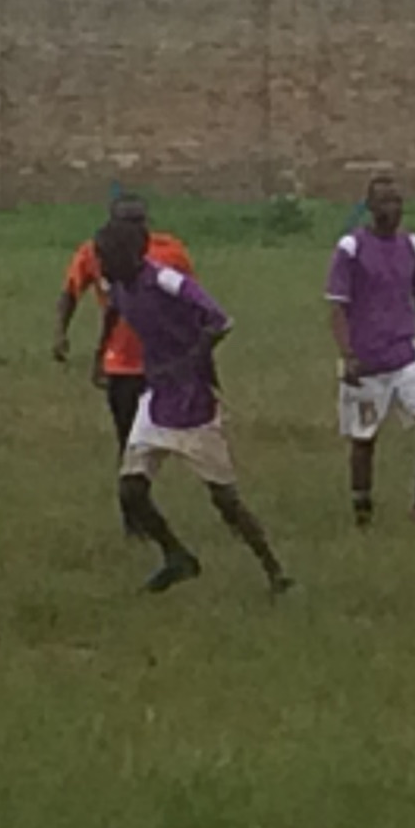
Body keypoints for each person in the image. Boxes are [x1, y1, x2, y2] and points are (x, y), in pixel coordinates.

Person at [95, 217, 292, 597]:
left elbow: (220, 321)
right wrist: (100, 355)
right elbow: (113, 311)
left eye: (106, 256)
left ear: (132, 255)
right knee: (131, 490)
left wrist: (192, 359)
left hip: (192, 402)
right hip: (155, 397)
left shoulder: (166, 281)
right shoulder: (118, 284)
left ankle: (275, 571)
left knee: (225, 500)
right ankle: (177, 556)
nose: (99, 263)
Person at [326, 174, 415, 531]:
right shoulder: (351, 248)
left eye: (397, 201)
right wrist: (348, 354)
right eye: (384, 202)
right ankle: (363, 514)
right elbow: (337, 308)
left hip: (407, 355)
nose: (392, 209)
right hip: (367, 362)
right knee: (364, 438)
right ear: (369, 207)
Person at [54, 194, 195, 456]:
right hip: (121, 360)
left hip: (161, 358)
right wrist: (61, 333)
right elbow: (71, 293)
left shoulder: (170, 251)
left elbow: (189, 299)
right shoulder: (95, 252)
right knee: (128, 434)